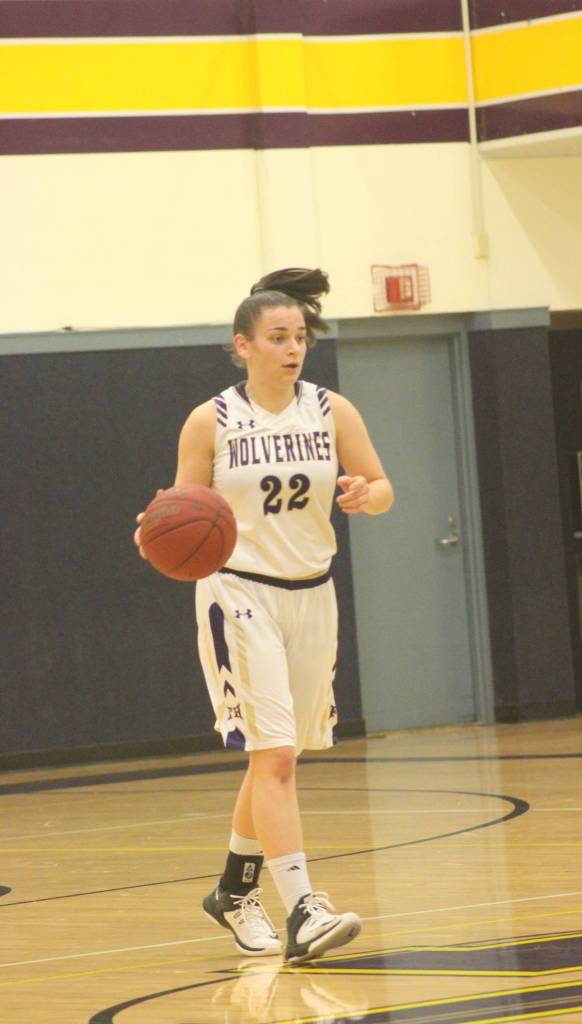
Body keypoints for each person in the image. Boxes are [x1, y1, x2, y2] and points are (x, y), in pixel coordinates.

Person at [134, 268, 394, 964]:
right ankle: (304, 909)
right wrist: (154, 528)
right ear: (242, 345)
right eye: (277, 338)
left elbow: (382, 486)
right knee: (273, 754)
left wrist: (364, 494)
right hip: (237, 589)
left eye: (299, 337)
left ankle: (232, 891)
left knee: (280, 756)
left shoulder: (331, 410)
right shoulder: (210, 420)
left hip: (313, 590)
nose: (292, 349)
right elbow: (179, 510)